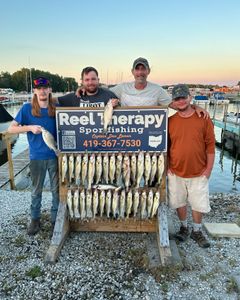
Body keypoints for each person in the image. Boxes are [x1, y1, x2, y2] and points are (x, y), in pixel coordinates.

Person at [8, 77, 59, 236]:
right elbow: (11, 129)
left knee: (57, 191)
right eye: (39, 88)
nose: (42, 91)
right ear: (34, 91)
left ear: (49, 89)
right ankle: (35, 219)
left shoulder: (57, 107)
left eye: (45, 88)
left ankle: (55, 220)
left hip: (55, 156)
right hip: (36, 157)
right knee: (36, 190)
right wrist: (29, 127)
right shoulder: (26, 108)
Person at [168, 84, 215, 248]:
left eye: (183, 97)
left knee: (198, 203)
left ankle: (197, 230)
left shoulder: (204, 118)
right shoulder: (169, 121)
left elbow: (210, 145)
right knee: (178, 201)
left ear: (190, 97)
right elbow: (166, 146)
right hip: (175, 171)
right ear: (173, 102)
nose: (180, 101)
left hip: (199, 171)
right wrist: (168, 166)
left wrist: (208, 170)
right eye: (177, 98)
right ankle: (184, 227)